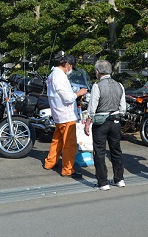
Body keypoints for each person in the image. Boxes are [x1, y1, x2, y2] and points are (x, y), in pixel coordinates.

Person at [43, 55, 88, 179]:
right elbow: (67, 98)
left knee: (57, 140)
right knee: (69, 144)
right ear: (67, 64)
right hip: (66, 115)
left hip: (57, 113)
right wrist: (79, 93)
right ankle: (67, 170)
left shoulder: (52, 75)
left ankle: (50, 162)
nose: (71, 69)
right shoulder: (60, 77)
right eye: (71, 66)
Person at [84, 60, 127, 190]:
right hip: (116, 121)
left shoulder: (97, 86)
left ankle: (103, 182)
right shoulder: (120, 85)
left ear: (98, 72)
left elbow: (92, 107)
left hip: (101, 122)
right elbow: (123, 108)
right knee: (116, 150)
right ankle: (119, 179)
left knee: (100, 151)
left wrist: (87, 122)